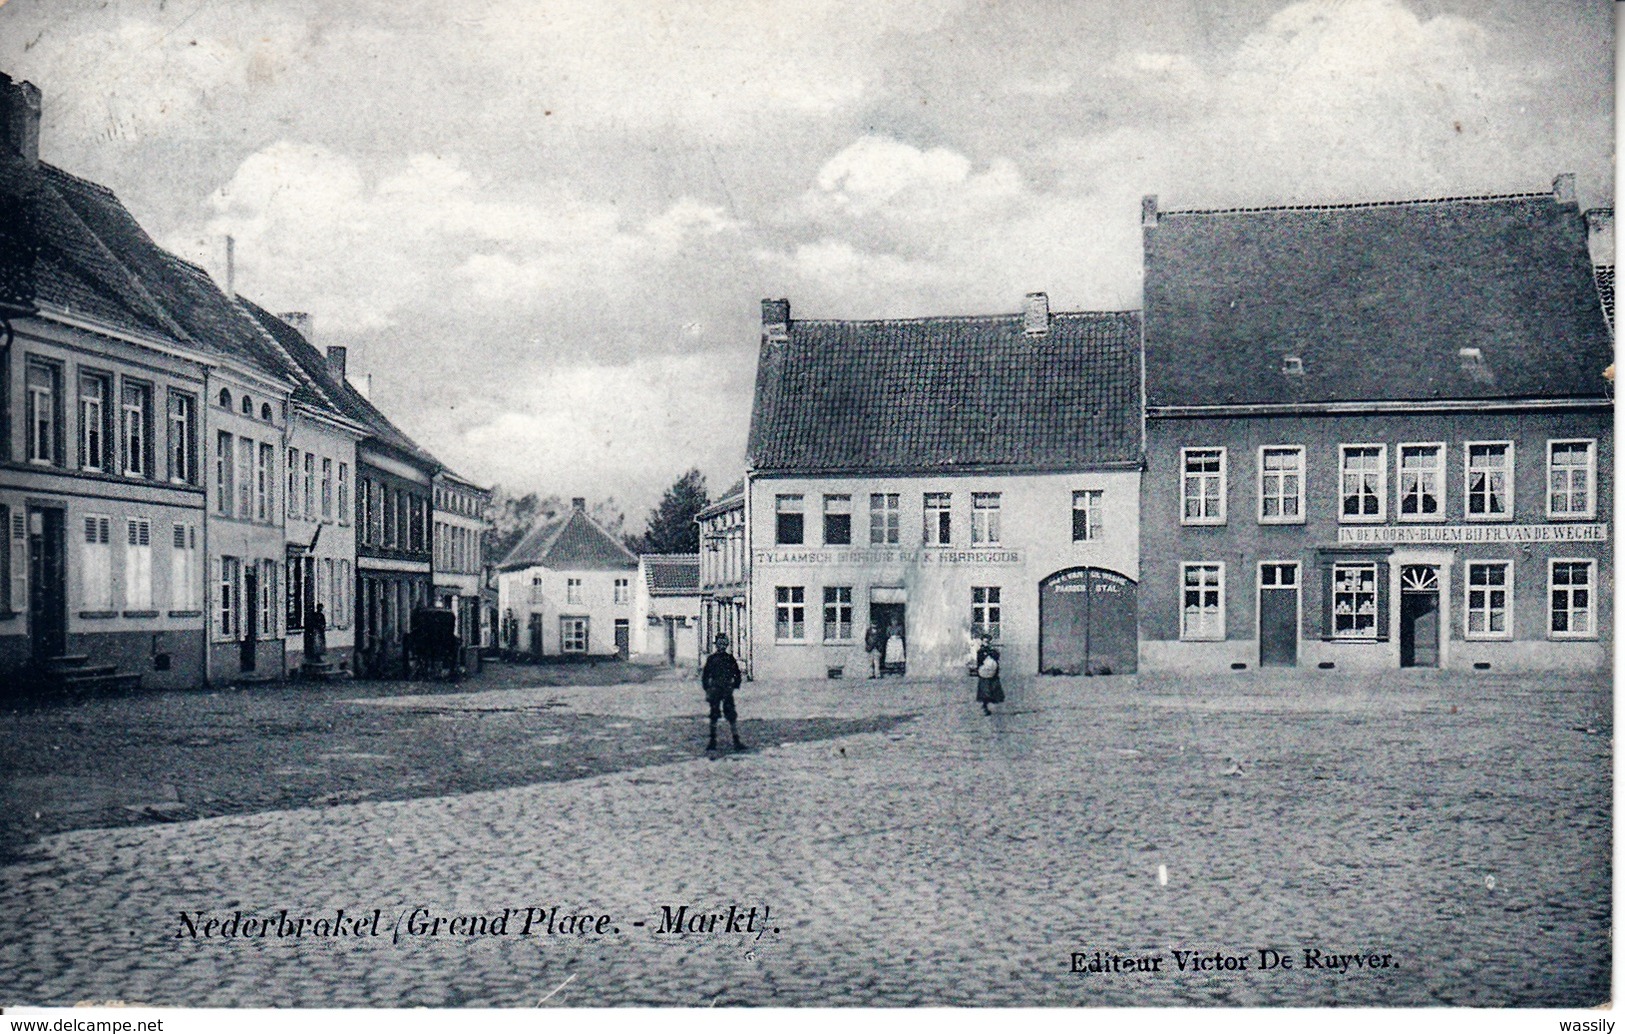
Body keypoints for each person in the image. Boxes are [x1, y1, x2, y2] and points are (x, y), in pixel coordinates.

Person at [701, 633, 746, 752]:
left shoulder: (730, 658)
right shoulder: (712, 659)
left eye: (724, 644)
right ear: (716, 645)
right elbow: (705, 675)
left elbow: (737, 673)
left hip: (726, 690)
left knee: (731, 715)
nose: (722, 646)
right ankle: (712, 741)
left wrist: (735, 684)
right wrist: (707, 689)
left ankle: (736, 740)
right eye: (720, 644)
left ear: (727, 645)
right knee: (714, 715)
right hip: (715, 689)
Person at [975, 636, 1004, 716]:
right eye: (985, 641)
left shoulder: (993, 651)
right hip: (984, 674)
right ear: (982, 642)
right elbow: (979, 661)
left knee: (993, 690)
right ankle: (985, 706)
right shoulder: (980, 651)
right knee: (985, 691)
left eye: (988, 641)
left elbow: (997, 657)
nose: (986, 643)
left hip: (993, 674)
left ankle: (986, 705)